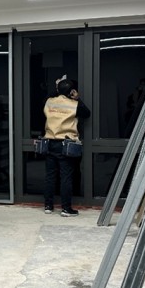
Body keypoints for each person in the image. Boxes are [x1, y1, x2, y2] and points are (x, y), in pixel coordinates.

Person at [43, 77, 91, 217]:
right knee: (66, 177)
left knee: (50, 176)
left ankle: (48, 206)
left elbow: (48, 98)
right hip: (65, 144)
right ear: (72, 92)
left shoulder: (49, 102)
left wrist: (57, 88)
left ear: (58, 90)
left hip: (50, 142)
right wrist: (78, 98)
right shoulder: (74, 104)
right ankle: (66, 208)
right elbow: (87, 114)